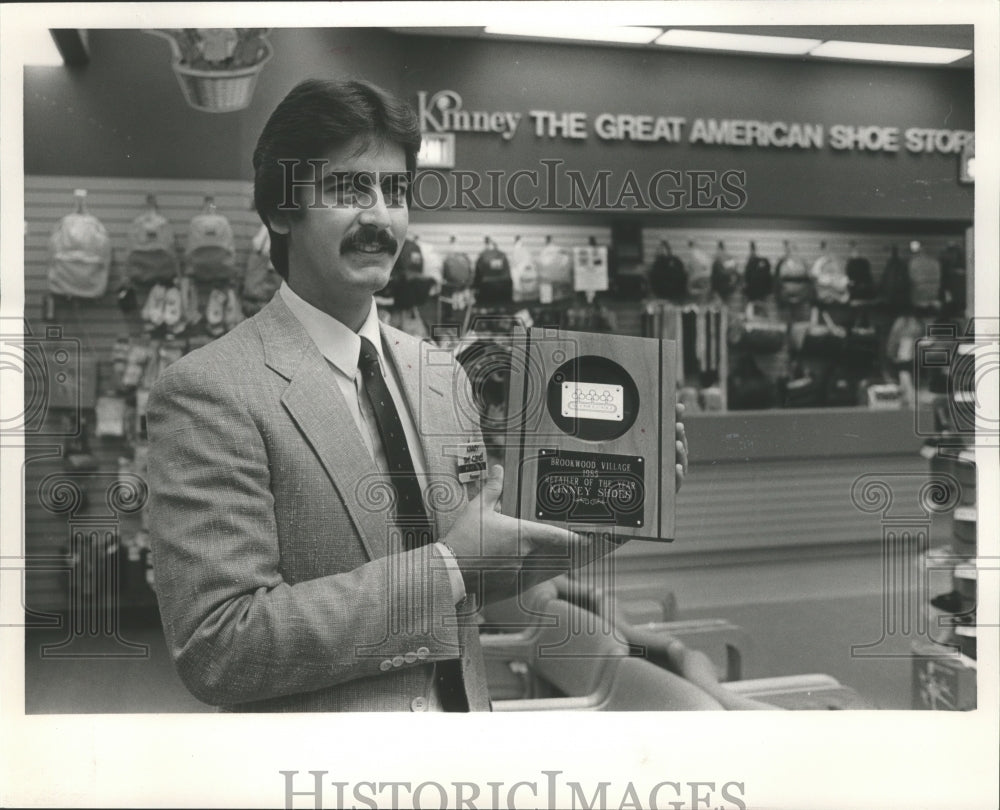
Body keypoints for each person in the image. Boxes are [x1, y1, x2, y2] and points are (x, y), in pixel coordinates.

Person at [147, 78, 688, 712]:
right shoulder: (211, 391)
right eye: (350, 189)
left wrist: (613, 512)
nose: (380, 217)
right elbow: (220, 648)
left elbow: (480, 572)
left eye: (396, 190)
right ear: (280, 211)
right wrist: (449, 565)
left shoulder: (441, 373)